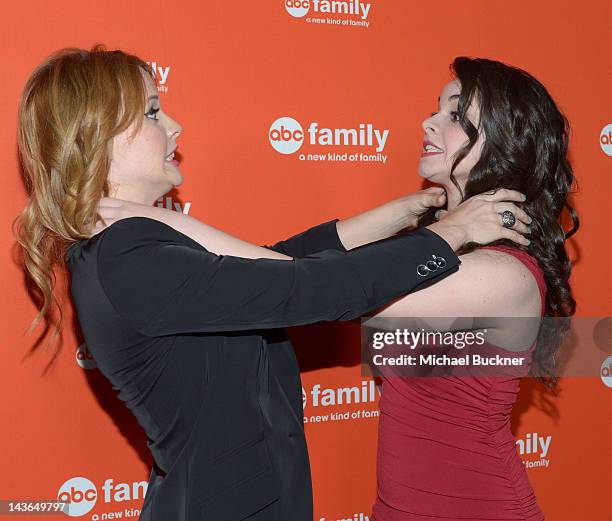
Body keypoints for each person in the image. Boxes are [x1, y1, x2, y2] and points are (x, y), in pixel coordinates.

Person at [15, 46, 530, 521]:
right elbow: (304, 288)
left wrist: (399, 213)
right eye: (152, 113)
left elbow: (277, 266)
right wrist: (451, 232)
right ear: (96, 135)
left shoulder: (130, 247)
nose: (174, 126)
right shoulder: (130, 256)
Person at [364, 57, 578, 521]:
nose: (430, 121)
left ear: (505, 143)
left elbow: (339, 293)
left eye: (457, 115)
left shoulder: (502, 272)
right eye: (436, 108)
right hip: (399, 508)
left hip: (476, 507)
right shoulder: (436, 248)